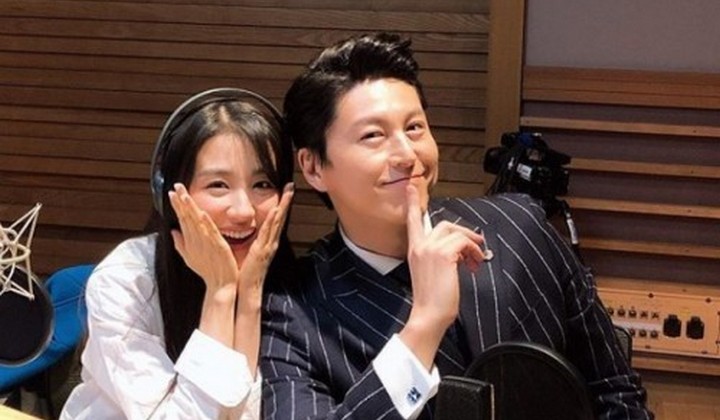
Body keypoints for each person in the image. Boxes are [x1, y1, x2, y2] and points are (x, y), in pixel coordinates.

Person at [260, 33, 653, 419]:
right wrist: (424, 326)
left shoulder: (521, 228)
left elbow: (614, 389)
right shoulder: (293, 312)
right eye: (373, 135)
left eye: (414, 128)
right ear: (314, 167)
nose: (407, 154)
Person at [60, 88, 295, 420]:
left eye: (263, 185)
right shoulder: (125, 281)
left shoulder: (297, 289)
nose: (244, 211)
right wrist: (221, 292)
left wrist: (250, 296)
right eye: (218, 185)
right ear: (168, 195)